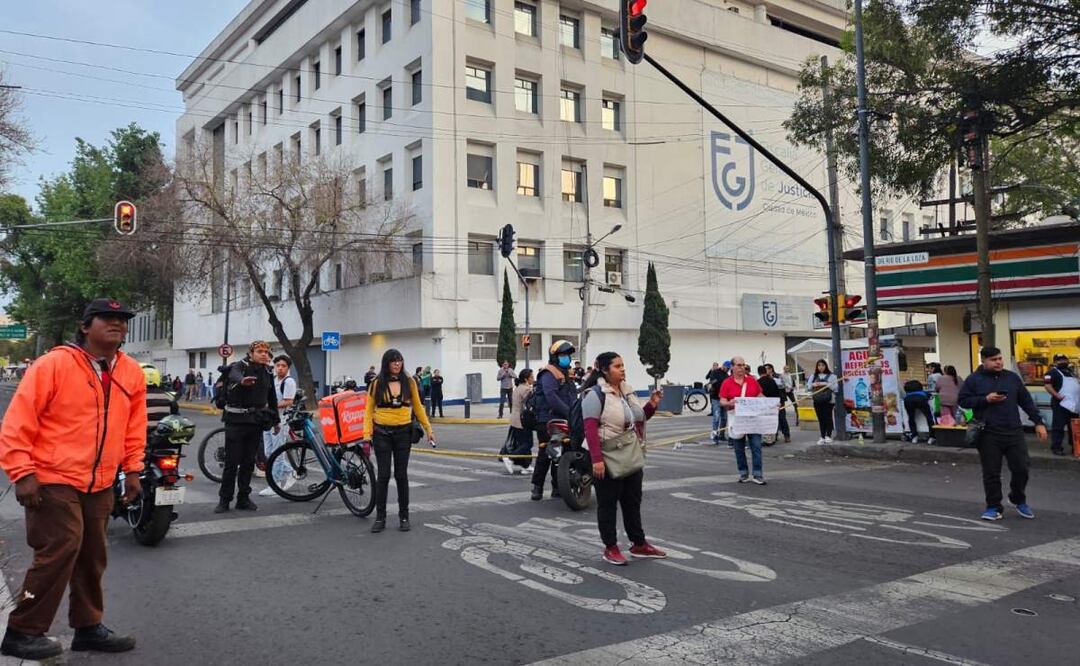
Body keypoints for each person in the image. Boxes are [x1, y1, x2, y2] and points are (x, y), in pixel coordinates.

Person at [0, 298, 144, 659]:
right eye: (107, 318)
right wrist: (22, 473)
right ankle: (23, 630)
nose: (117, 325)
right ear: (85, 326)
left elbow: (133, 427)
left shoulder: (130, 372)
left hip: (100, 481)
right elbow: (18, 422)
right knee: (59, 549)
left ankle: (88, 627)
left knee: (93, 555)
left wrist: (133, 470)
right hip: (53, 477)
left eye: (122, 320)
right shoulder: (53, 365)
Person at [582, 352, 666, 565]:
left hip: (630, 453)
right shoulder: (595, 394)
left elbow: (639, 418)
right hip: (607, 455)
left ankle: (639, 544)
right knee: (607, 504)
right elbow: (590, 428)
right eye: (617, 366)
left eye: (623, 365)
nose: (622, 369)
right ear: (604, 370)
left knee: (632, 502)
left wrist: (652, 404)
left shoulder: (627, 392)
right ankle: (610, 547)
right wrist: (596, 460)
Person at [959, 346, 1048, 521]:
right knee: (991, 472)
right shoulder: (974, 380)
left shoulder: (1012, 378)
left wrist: (1038, 422)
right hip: (988, 432)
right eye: (993, 360)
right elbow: (963, 401)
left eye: (1000, 358)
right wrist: (985, 399)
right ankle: (993, 507)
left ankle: (1017, 498)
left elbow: (1026, 401)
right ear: (983, 360)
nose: (998, 362)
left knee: (1022, 468)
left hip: (1013, 431)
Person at [364, 350, 434, 533]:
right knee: (384, 475)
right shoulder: (376, 383)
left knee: (401, 475)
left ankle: (404, 516)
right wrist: (366, 435)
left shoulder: (409, 381)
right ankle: (380, 518)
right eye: (393, 361)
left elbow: (417, 406)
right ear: (386, 363)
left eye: (400, 361)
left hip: (404, 432)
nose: (397, 364)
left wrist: (428, 428)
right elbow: (368, 411)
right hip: (381, 433)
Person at [215, 341, 278, 514]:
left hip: (255, 422)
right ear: (251, 354)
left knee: (249, 463)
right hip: (235, 421)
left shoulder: (267, 371)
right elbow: (234, 374)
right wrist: (242, 381)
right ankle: (224, 500)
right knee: (231, 462)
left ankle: (243, 498)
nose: (264, 354)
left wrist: (276, 421)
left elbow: (271, 397)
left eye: (266, 351)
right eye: (260, 351)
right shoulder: (240, 366)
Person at [530, 340, 580, 501]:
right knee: (546, 453)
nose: (566, 358)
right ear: (554, 357)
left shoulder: (566, 373)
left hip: (565, 418)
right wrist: (570, 412)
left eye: (568, 355)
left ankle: (558, 486)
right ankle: (537, 487)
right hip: (547, 420)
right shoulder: (548, 373)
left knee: (563, 453)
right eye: (563, 355)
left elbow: (572, 396)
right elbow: (551, 397)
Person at [720, 357, 766, 484]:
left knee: (756, 446)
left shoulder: (752, 381)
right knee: (739, 448)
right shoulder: (727, 383)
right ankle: (743, 473)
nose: (742, 368)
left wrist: (770, 404)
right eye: (739, 365)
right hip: (736, 418)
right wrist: (729, 402)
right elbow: (722, 400)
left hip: (753, 418)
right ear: (732, 367)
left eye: (743, 365)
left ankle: (757, 474)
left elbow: (759, 395)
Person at [259, 354, 298, 497]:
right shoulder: (273, 379)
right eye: (278, 366)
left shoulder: (289, 382)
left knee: (277, 453)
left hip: (281, 421)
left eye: (283, 366)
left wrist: (270, 405)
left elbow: (288, 401)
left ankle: (274, 484)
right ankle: (290, 471)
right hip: (268, 420)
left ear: (288, 368)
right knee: (269, 452)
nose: (280, 368)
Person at [500, 368, 535, 474]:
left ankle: (526, 465)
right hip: (522, 420)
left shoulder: (518, 387)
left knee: (523, 443)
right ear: (526, 379)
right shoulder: (526, 389)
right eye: (531, 377)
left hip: (515, 419)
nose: (533, 379)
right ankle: (510, 458)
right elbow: (530, 404)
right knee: (527, 443)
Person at [1044, 354, 1079, 456]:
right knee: (1058, 427)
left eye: (1064, 359)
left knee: (1074, 427)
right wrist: (1057, 396)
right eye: (1060, 360)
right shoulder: (1050, 373)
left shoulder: (1071, 372)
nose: (1063, 361)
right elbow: (1047, 386)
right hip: (1061, 404)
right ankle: (1056, 447)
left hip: (1074, 405)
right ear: (1055, 362)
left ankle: (1075, 447)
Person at [807, 360, 838, 445]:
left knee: (828, 417)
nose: (821, 367)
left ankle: (829, 436)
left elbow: (836, 388)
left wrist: (826, 384)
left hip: (829, 400)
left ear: (826, 366)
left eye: (823, 365)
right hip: (817, 400)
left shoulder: (832, 376)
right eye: (819, 365)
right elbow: (808, 387)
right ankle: (822, 436)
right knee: (821, 419)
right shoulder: (813, 376)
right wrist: (814, 385)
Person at [142, 363, 178, 431]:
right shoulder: (168, 396)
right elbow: (175, 414)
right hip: (162, 433)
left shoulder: (137, 397)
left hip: (143, 434)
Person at [762, 364, 790, 443]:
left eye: (768, 369)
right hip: (769, 400)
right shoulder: (764, 377)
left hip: (779, 399)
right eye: (765, 369)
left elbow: (783, 386)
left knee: (782, 417)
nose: (767, 370)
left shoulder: (778, 376)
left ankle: (786, 435)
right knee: (772, 418)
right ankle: (775, 435)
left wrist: (773, 380)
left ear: (771, 369)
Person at [902, 379, 936, 443]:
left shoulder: (907, 394)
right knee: (929, 417)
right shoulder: (923, 392)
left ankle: (914, 437)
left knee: (911, 418)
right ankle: (932, 437)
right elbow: (930, 396)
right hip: (920, 399)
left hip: (908, 400)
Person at [705, 361, 729, 445]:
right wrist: (722, 384)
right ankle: (715, 436)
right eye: (727, 368)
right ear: (724, 366)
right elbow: (712, 382)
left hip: (724, 398)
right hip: (716, 398)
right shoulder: (715, 372)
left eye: (729, 369)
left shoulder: (727, 375)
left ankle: (721, 434)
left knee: (724, 418)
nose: (728, 370)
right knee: (716, 417)